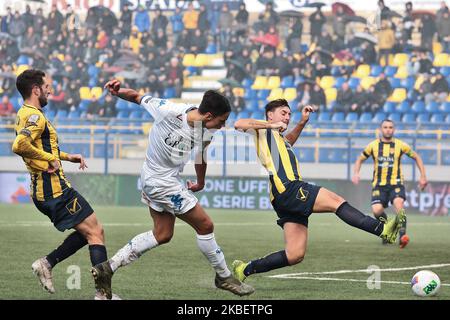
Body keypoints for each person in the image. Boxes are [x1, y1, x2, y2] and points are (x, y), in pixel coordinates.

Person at [91, 79, 254, 298]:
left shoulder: (206, 131)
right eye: (222, 121)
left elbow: (201, 156)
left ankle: (107, 268)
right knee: (205, 225)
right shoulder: (168, 110)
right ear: (208, 116)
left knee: (163, 233)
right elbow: (137, 97)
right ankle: (224, 277)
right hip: (159, 181)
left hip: (162, 179)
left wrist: (201, 182)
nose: (223, 126)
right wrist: (117, 92)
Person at [231, 99, 405, 284]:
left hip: (281, 196)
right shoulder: (263, 130)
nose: (287, 117)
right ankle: (382, 229)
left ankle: (244, 269)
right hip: (289, 187)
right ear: (270, 115)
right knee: (336, 201)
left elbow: (289, 141)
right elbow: (238, 123)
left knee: (295, 255)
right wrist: (273, 124)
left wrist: (302, 122)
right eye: (284, 113)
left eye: (289, 114)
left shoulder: (277, 139)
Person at [11, 69, 115, 300]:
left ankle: (47, 263)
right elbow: (19, 145)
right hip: (54, 190)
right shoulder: (35, 116)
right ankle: (103, 295)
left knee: (88, 232)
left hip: (46, 189)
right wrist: (50, 159)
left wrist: (67, 157)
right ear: (36, 89)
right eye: (47, 86)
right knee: (96, 232)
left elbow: (43, 149)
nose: (50, 89)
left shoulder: (25, 113)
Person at [352, 119, 428, 248]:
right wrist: (356, 173)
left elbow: (416, 157)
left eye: (390, 127)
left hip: (396, 183)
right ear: (381, 129)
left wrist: (423, 176)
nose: (388, 129)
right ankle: (388, 229)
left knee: (398, 205)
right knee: (377, 211)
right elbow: (360, 159)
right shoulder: (373, 146)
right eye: (385, 127)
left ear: (394, 129)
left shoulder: (400, 145)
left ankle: (402, 236)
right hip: (379, 185)